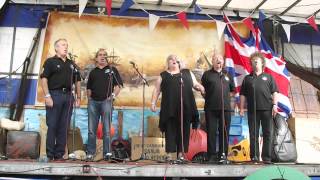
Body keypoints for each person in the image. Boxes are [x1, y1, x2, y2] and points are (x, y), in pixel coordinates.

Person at [150, 54, 205, 161]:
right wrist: (153, 103)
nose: (174, 60)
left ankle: (181, 154)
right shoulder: (163, 75)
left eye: (176, 59)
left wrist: (202, 89)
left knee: (184, 130)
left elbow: (196, 84)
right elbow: (156, 90)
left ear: (179, 62)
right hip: (169, 108)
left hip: (185, 108)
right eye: (171, 59)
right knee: (170, 130)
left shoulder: (187, 73)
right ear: (168, 63)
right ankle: (169, 154)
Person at [40, 38, 81, 161]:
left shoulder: (72, 64)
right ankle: (50, 154)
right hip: (54, 95)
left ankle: (59, 154)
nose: (66, 47)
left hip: (68, 96)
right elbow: (44, 79)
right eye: (63, 45)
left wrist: (78, 97)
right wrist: (47, 96)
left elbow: (78, 80)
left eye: (67, 45)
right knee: (52, 125)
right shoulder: (50, 62)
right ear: (56, 48)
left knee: (64, 126)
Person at [239, 52, 278, 164]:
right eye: (253, 60)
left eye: (257, 60)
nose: (255, 61)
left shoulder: (269, 77)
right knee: (253, 134)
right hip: (252, 110)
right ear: (251, 63)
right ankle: (254, 157)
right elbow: (242, 95)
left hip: (267, 109)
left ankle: (266, 158)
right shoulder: (247, 78)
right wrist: (241, 108)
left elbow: (275, 92)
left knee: (267, 133)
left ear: (262, 63)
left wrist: (275, 105)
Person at [86, 48, 123, 161]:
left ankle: (107, 153)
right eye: (100, 55)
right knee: (91, 130)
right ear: (96, 58)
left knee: (106, 130)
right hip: (93, 103)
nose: (102, 56)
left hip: (106, 102)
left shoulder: (112, 70)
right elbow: (88, 88)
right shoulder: (93, 72)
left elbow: (118, 86)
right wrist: (89, 99)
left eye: (105, 55)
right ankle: (91, 153)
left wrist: (112, 97)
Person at [201, 54, 235, 163]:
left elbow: (232, 91)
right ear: (212, 62)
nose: (218, 60)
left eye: (220, 59)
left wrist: (229, 103)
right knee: (211, 132)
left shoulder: (227, 74)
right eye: (215, 59)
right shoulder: (206, 74)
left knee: (224, 132)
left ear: (223, 62)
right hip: (211, 108)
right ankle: (211, 156)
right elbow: (202, 91)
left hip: (225, 109)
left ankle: (223, 155)